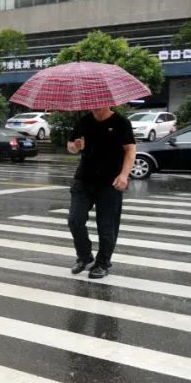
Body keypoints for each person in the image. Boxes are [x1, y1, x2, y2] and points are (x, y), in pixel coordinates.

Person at [66, 106, 136, 279]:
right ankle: (84, 255)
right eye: (92, 103)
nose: (94, 106)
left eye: (99, 102)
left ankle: (103, 263)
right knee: (75, 220)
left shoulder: (121, 123)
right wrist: (75, 146)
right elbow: (70, 146)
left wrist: (124, 175)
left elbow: (130, 150)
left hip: (110, 182)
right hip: (84, 179)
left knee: (107, 227)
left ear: (108, 102)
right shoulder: (84, 121)